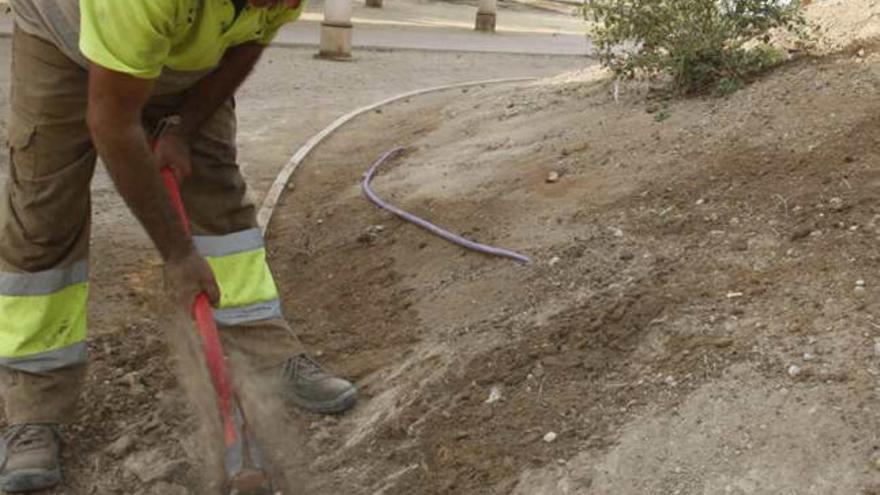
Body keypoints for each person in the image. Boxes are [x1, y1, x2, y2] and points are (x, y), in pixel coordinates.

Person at [0, 0, 359, 491]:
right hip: (63, 34)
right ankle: (34, 407)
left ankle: (266, 355)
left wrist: (183, 127)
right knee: (45, 213)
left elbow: (250, 39)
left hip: (178, 44)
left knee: (216, 189)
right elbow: (111, 122)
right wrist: (177, 253)